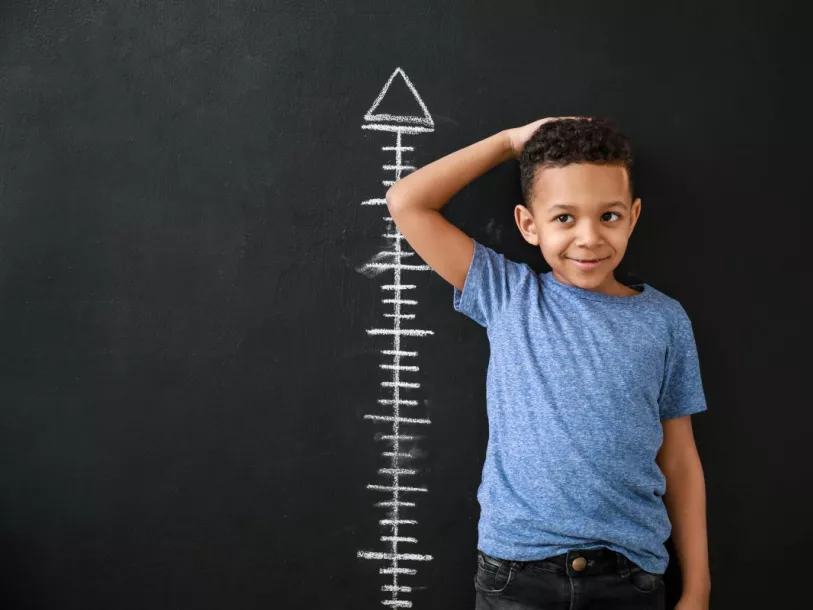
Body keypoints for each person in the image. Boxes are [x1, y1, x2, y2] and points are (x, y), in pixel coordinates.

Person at [385, 117, 710, 610]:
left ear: (634, 216)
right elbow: (406, 201)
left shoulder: (664, 320)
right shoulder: (508, 294)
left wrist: (698, 588)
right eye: (564, 218)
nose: (588, 238)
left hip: (630, 577)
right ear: (527, 224)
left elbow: (681, 460)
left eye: (609, 216)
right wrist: (510, 142)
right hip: (516, 575)